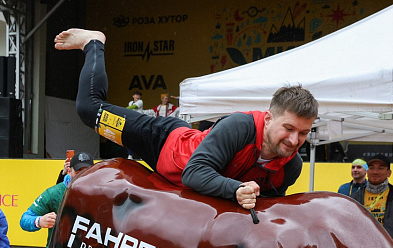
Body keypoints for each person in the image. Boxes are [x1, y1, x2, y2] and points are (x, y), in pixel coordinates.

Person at [54, 29, 318, 211]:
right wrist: (236, 189)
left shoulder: (292, 166)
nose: (295, 140)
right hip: (160, 140)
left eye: (304, 133)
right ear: (270, 118)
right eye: (289, 128)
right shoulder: (241, 126)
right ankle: (93, 43)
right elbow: (194, 174)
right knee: (89, 109)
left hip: (183, 167)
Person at [20, 152, 94, 248]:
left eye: (86, 171)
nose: (82, 176)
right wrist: (38, 221)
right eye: (78, 171)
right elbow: (24, 220)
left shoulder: (102, 193)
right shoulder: (54, 193)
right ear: (69, 171)